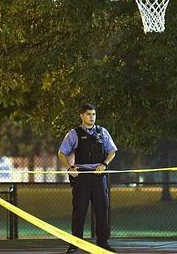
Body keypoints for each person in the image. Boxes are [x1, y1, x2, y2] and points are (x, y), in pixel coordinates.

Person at [58, 103, 117, 253]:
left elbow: (112, 151)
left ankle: (103, 243)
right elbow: (61, 153)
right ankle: (74, 244)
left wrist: (104, 164)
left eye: (94, 114)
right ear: (82, 116)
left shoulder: (102, 132)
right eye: (89, 114)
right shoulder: (74, 133)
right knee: (79, 211)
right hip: (82, 178)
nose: (92, 117)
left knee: (102, 210)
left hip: (99, 177)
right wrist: (69, 168)